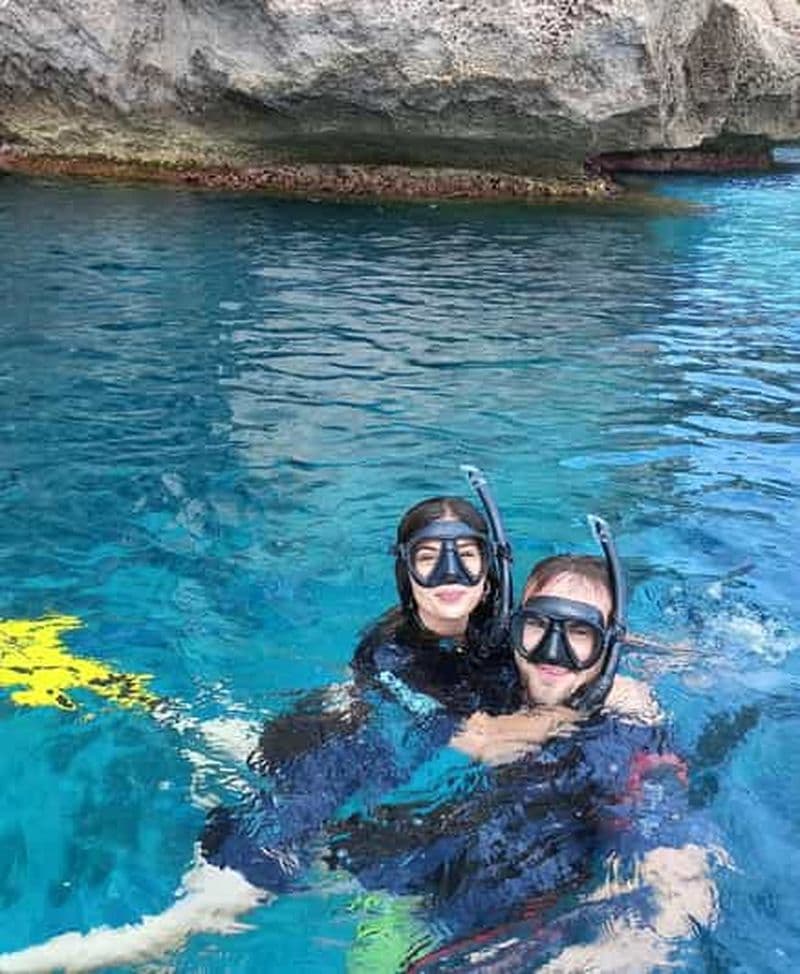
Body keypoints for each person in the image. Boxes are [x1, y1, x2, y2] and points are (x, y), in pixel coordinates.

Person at [328, 520, 718, 972]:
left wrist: (621, 948)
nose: (553, 654)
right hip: (425, 867)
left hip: (511, 921)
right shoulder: (493, 679)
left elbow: (678, 872)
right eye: (538, 626)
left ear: (609, 647)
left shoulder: (623, 733)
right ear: (513, 630)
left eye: (579, 634)